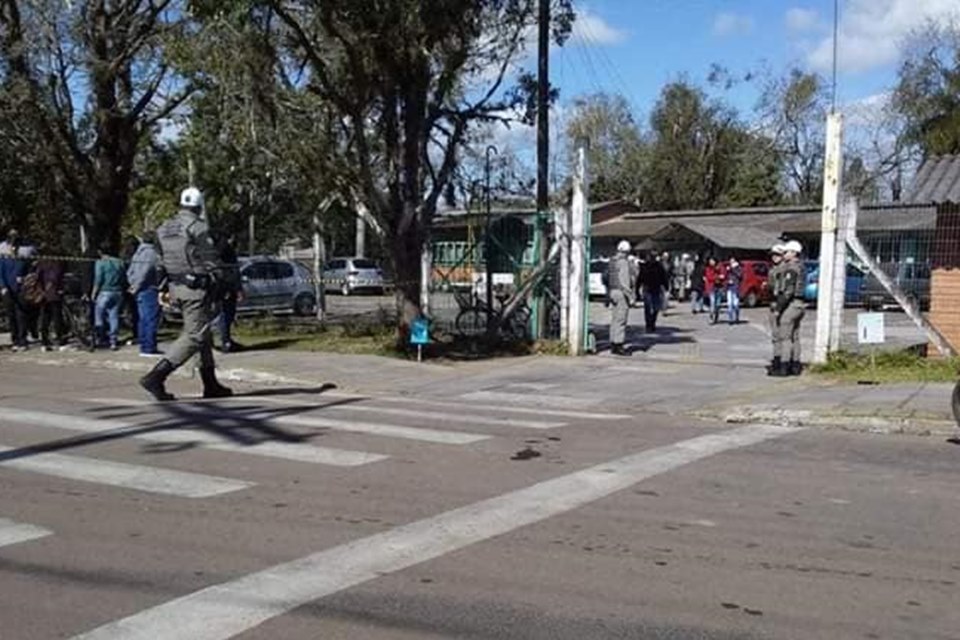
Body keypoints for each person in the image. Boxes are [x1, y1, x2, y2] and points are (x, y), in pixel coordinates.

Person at [140, 187, 233, 401]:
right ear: (199, 206)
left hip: (176, 287)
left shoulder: (164, 227)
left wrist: (163, 287)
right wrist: (222, 280)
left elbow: (161, 261)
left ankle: (210, 383)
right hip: (197, 289)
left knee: (203, 334)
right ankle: (156, 376)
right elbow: (210, 261)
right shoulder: (198, 227)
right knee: (195, 335)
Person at [773, 240, 807, 376]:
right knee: (795, 336)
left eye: (786, 252)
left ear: (793, 253)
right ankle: (796, 365)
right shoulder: (801, 266)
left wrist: (778, 309)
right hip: (800, 305)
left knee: (785, 337)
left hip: (791, 304)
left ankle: (784, 366)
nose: (784, 254)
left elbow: (788, 291)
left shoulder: (791, 268)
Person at [126, 231, 163, 357]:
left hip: (139, 289)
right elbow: (145, 271)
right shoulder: (151, 253)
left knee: (143, 318)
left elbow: (130, 270)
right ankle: (149, 347)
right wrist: (137, 285)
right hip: (148, 288)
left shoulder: (138, 253)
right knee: (151, 318)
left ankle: (143, 344)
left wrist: (132, 283)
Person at [92, 243, 127, 350]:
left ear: (100, 252)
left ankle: (100, 338)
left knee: (99, 316)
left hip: (104, 291)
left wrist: (94, 293)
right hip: (117, 291)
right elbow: (123, 277)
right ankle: (113, 340)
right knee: (114, 316)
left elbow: (98, 279)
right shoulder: (119, 262)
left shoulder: (100, 263)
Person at [605, 240, 636, 356]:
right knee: (621, 319)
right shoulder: (623, 262)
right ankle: (619, 344)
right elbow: (625, 281)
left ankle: (613, 342)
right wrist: (630, 296)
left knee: (614, 319)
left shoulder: (612, 261)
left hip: (612, 291)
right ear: (626, 251)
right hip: (621, 293)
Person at [35, 248, 67, 351]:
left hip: (43, 295)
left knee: (45, 318)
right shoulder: (56, 263)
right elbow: (56, 278)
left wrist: (41, 291)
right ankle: (60, 341)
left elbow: (37, 278)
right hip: (54, 294)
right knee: (57, 318)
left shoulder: (41, 264)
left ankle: (44, 342)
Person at [215, 233, 243, 353]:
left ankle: (225, 340)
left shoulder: (215, 253)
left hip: (219, 285)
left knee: (222, 314)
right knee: (227, 314)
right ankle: (225, 341)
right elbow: (234, 272)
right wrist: (238, 289)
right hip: (228, 286)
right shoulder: (228, 253)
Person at [0, 230, 27, 350]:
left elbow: (27, 272)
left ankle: (23, 339)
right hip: (7, 289)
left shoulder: (21, 260)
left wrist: (24, 279)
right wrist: (3, 287)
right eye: (12, 246)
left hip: (20, 289)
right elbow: (0, 274)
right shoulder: (3, 259)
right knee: (11, 315)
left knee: (21, 314)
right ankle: (15, 339)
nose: (14, 249)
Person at [766, 244, 786, 376]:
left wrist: (778, 307)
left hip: (779, 304)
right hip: (773, 303)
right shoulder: (774, 269)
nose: (774, 257)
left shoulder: (783, 269)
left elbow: (782, 289)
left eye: (777, 254)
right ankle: (778, 360)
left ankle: (779, 362)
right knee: (776, 336)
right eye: (773, 255)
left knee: (779, 336)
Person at [638, 250, 669, 333]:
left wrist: (666, 286)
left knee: (651, 308)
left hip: (652, 288)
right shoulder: (651, 266)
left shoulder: (657, 266)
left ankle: (650, 324)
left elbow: (663, 277)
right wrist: (666, 286)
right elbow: (640, 277)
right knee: (652, 307)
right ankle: (650, 324)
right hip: (650, 288)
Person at [121, 234, 141, 347]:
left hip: (127, 286)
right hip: (136, 285)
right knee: (137, 312)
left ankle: (136, 333)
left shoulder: (125, 257)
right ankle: (137, 333)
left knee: (133, 311)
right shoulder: (138, 255)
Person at [725, 256, 743, 325]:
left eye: (733, 261)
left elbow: (740, 276)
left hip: (736, 288)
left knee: (736, 305)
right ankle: (730, 319)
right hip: (729, 287)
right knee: (729, 304)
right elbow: (725, 277)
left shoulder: (738, 268)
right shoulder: (728, 268)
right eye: (730, 261)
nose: (731, 262)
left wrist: (733, 270)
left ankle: (736, 317)